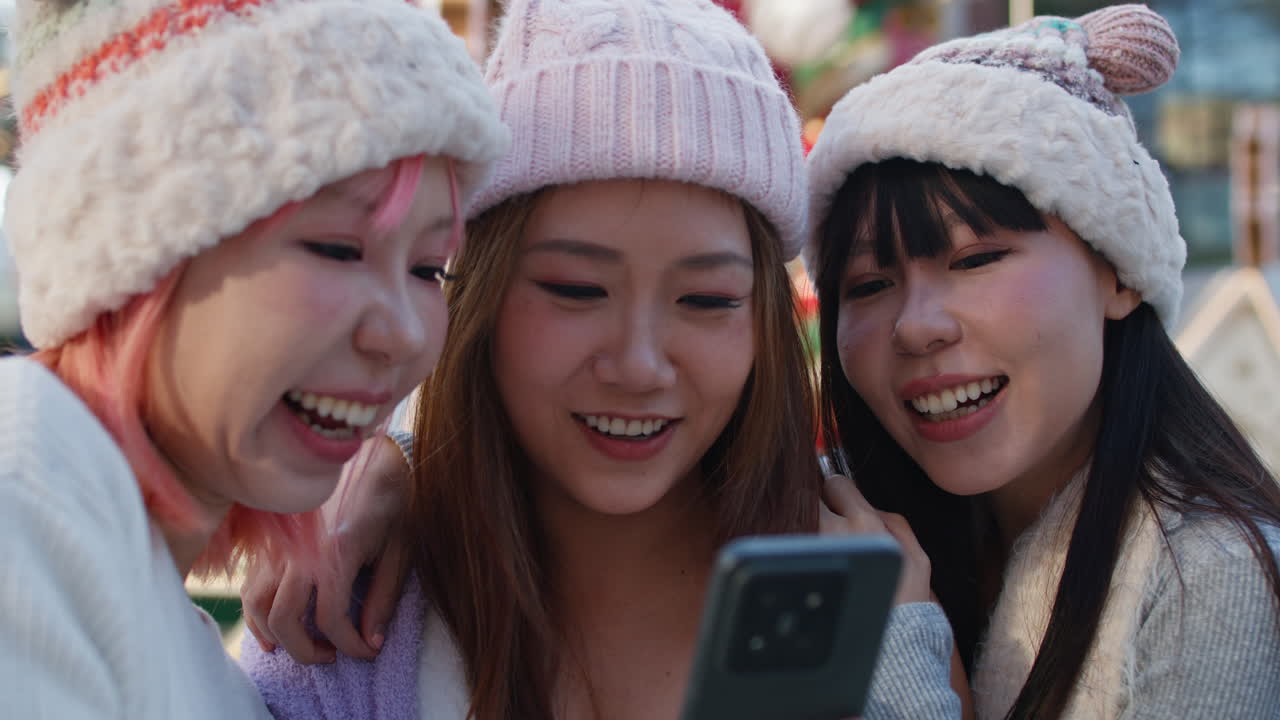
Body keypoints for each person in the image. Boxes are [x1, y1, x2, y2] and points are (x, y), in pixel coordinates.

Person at [239, 1, 962, 719]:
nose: (639, 365)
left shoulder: (877, 602)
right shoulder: (338, 616)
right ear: (478, 298)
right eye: (576, 290)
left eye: (706, 299)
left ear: (764, 323)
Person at [0, 0, 508, 717]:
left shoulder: (194, 656)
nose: (400, 333)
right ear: (144, 251)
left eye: (429, 269)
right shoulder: (25, 485)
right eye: (336, 248)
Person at [805, 5, 1280, 718]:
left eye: (975, 258)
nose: (917, 326)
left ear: (1117, 272)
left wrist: (897, 644)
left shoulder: (1213, 572)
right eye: (868, 285)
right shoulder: (858, 529)